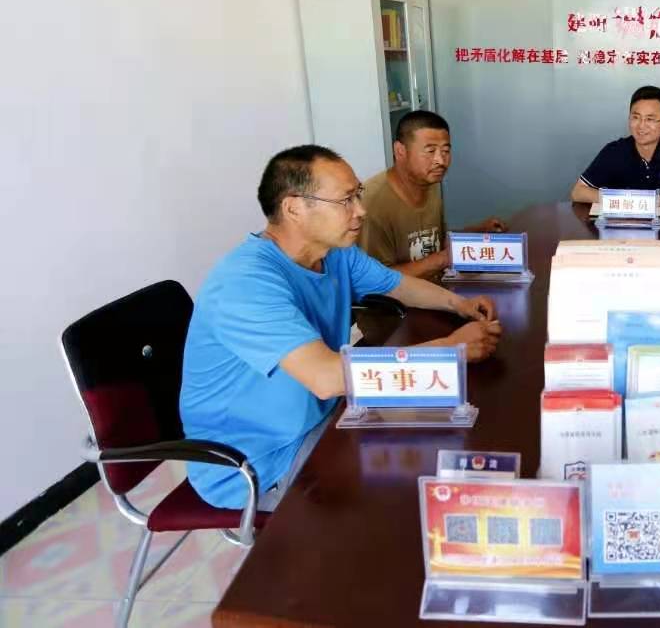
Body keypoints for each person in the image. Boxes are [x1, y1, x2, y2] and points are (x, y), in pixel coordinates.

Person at [180, 145, 503, 511]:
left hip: (328, 415)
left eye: (358, 195)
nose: (360, 210)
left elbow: (396, 285)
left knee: (450, 435)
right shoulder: (245, 283)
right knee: (409, 494)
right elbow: (326, 378)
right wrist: (452, 349)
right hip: (260, 462)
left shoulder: (334, 253)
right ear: (294, 208)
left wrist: (458, 304)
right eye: (346, 200)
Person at [360, 111, 506, 280]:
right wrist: (443, 259)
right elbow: (375, 280)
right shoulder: (372, 203)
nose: (440, 161)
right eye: (430, 151)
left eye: (445, 151)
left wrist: (478, 230)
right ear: (400, 151)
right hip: (402, 297)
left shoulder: (429, 182)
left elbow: (433, 241)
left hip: (435, 288)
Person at [570, 85, 660, 207]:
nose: (641, 126)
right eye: (636, 117)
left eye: (650, 119)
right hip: (621, 224)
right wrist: (623, 201)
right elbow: (578, 192)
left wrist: (649, 202)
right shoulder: (615, 150)